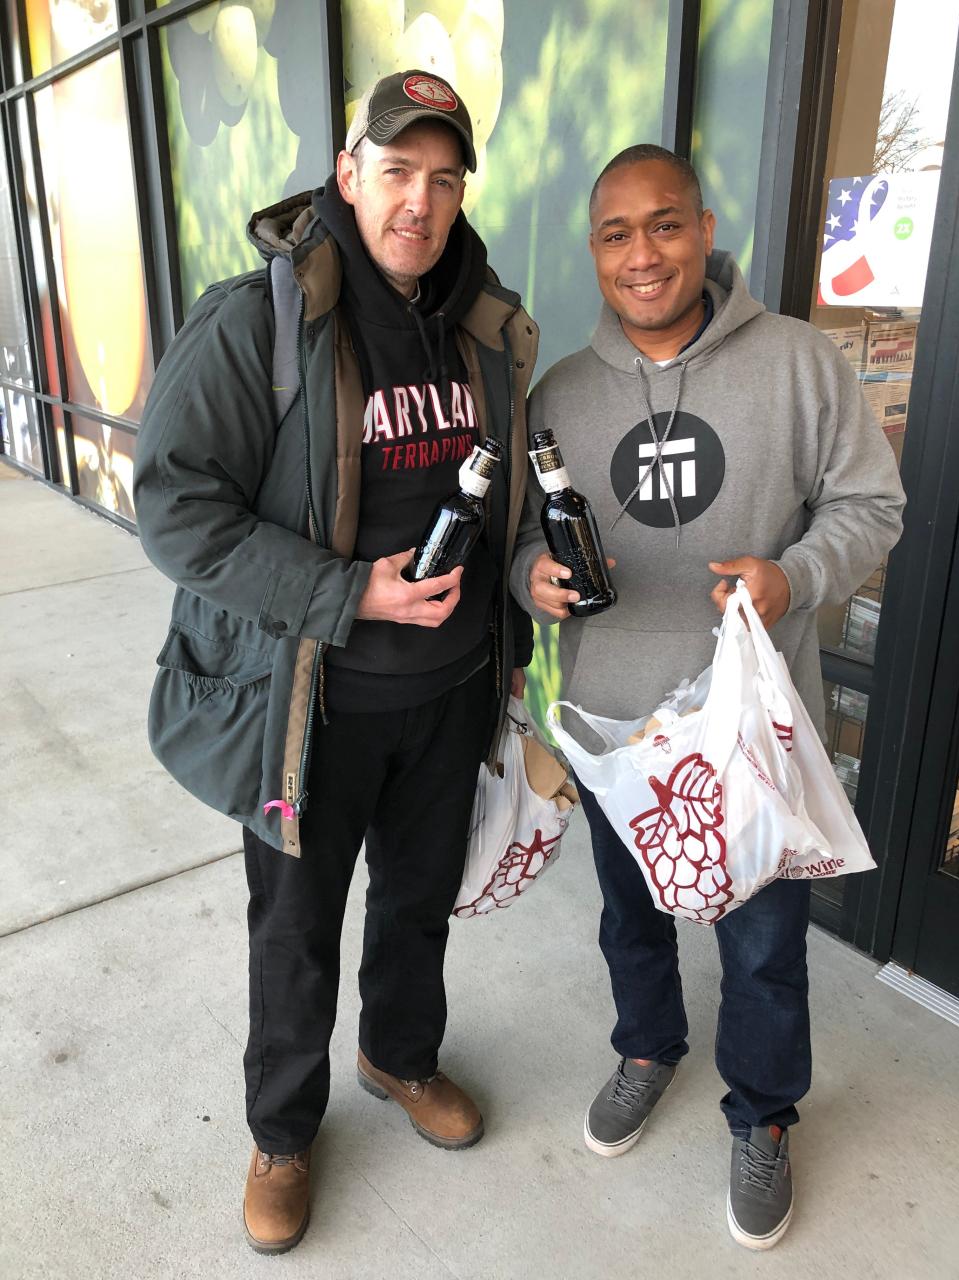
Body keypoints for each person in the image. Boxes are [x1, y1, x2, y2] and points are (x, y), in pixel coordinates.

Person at [133, 69, 537, 1255]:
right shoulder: (259, 318)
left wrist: (507, 640)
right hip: (312, 702)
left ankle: (400, 1055)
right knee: (295, 928)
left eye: (444, 177)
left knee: (419, 903)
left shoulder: (486, 325)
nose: (420, 199)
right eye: (397, 170)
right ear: (348, 174)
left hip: (449, 692)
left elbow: (504, 496)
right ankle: (281, 1130)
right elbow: (174, 506)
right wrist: (346, 589)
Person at [510, 144, 905, 1251]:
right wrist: (528, 581)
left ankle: (765, 1114)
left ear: (706, 226)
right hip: (616, 730)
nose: (645, 254)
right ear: (595, 250)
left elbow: (873, 504)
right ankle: (647, 1047)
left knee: (765, 948)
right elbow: (516, 549)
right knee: (630, 919)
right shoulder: (559, 395)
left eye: (666, 225)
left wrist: (797, 576)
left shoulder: (797, 363)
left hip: (751, 735)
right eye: (618, 234)